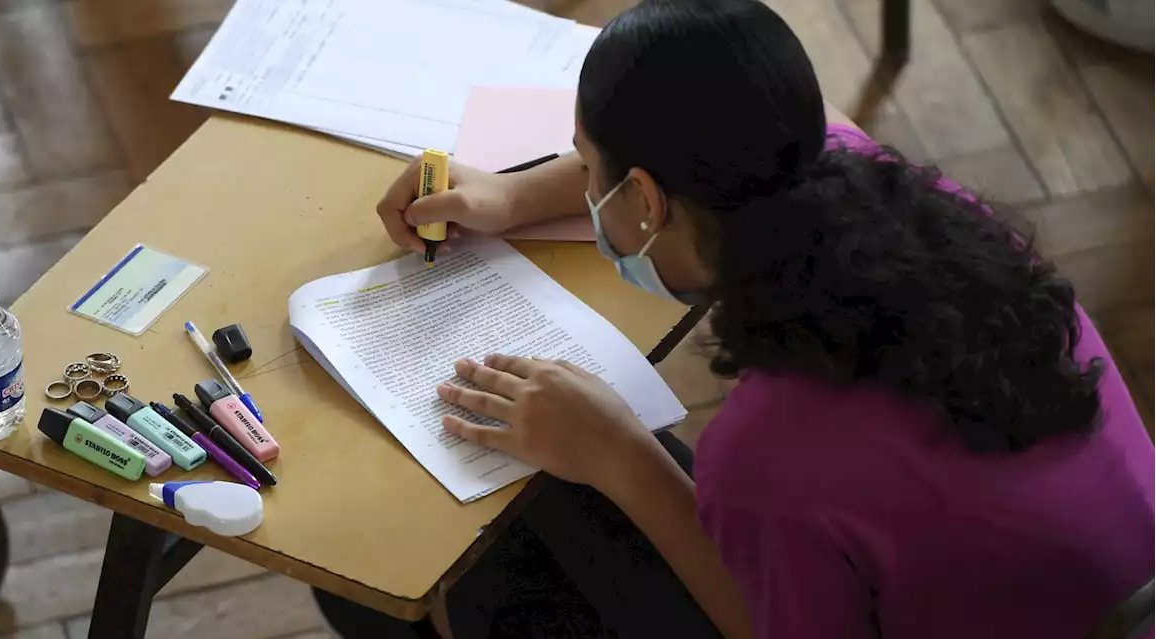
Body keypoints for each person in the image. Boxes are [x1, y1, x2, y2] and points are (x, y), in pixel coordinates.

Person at [365, 0, 1156, 637]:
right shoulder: (887, 186)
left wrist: (625, 458)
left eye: (585, 164)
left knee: (507, 557)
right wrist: (512, 195)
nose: (583, 181)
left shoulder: (767, 455)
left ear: (643, 199)